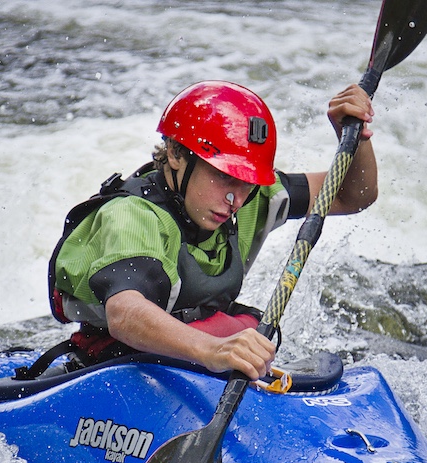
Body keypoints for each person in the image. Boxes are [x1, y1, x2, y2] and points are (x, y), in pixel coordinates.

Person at [47, 80, 377, 381]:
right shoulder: (131, 216)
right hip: (115, 364)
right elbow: (124, 314)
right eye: (223, 176)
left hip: (195, 349)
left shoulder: (249, 199)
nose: (235, 198)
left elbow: (352, 195)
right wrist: (213, 351)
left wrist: (354, 137)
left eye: (247, 182)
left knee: (252, 331)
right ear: (176, 154)